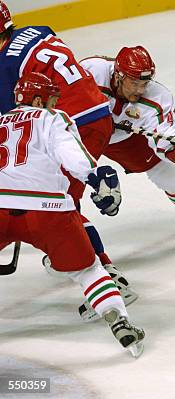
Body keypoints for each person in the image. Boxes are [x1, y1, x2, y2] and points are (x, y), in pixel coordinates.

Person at [0, 72, 144, 357]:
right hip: (47, 210)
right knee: (88, 270)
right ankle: (119, 322)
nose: (55, 104)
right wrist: (94, 176)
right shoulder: (52, 119)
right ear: (39, 99)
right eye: (52, 99)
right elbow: (73, 157)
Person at [0, 1, 133, 304]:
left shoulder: (3, 65)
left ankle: (107, 275)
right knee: (61, 203)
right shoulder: (37, 31)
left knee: (60, 207)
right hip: (97, 114)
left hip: (69, 124)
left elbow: (13, 124)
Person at [79, 46, 175, 239]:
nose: (140, 90)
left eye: (145, 83)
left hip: (123, 141)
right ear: (119, 75)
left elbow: (165, 144)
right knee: (54, 174)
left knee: (169, 173)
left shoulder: (158, 98)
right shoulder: (91, 71)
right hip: (81, 132)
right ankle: (63, 234)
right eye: (135, 83)